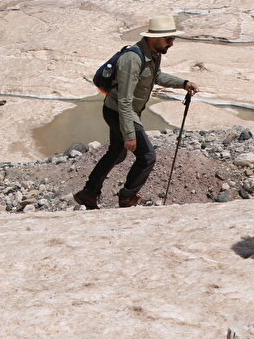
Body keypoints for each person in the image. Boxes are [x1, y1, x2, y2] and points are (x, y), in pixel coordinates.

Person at [74, 16, 199, 210]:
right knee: (147, 157)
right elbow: (124, 100)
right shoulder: (132, 59)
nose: (171, 44)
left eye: (173, 39)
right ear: (153, 38)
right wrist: (130, 134)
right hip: (120, 111)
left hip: (124, 111)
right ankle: (127, 197)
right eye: (169, 39)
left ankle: (88, 193)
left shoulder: (154, 53)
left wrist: (183, 83)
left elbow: (156, 76)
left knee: (116, 154)